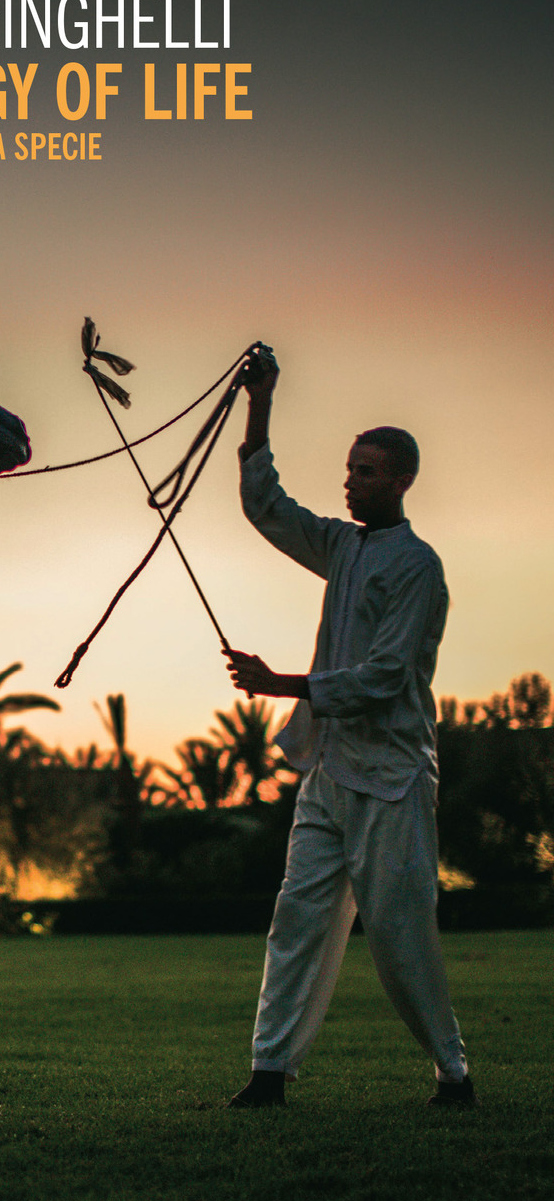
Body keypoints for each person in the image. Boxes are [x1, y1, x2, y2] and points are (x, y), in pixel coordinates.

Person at [223, 345, 474, 1109]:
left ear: (402, 480)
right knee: (297, 918)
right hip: (328, 772)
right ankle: (269, 1075)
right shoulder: (340, 544)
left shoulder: (419, 568)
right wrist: (259, 403)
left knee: (400, 937)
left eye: (365, 471)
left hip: (393, 778)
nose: (350, 480)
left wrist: (284, 684)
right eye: (350, 468)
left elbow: (388, 679)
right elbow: (268, 507)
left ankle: (452, 1071)